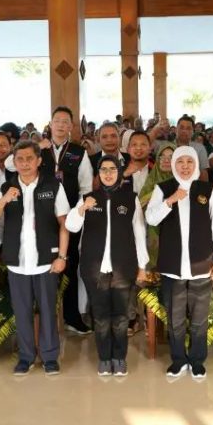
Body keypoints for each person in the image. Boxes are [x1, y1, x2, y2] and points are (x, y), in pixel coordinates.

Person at [0, 141, 71, 374]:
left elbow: (64, 224)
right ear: (14, 162)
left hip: (46, 262)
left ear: (39, 160)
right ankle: (25, 357)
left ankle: (50, 357)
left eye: (29, 158)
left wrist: (62, 256)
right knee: (21, 313)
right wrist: (5, 199)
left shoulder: (52, 185)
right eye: (20, 159)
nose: (24, 163)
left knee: (47, 311)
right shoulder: (6, 187)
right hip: (17, 263)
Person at [145, 146, 213, 380]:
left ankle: (198, 360)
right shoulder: (163, 189)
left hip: (201, 266)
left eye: (189, 161)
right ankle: (178, 359)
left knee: (200, 319)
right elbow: (151, 218)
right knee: (176, 319)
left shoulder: (207, 190)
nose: (185, 166)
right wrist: (171, 200)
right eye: (180, 162)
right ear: (173, 165)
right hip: (173, 268)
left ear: (196, 164)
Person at [66, 155, 149, 376]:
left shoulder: (130, 198)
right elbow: (71, 226)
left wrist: (142, 266)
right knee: (101, 317)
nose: (108, 173)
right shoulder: (88, 198)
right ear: (98, 173)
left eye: (113, 169)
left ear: (119, 172)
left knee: (121, 317)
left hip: (123, 267)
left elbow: (139, 233)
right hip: (95, 269)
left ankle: (119, 357)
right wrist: (82, 209)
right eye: (104, 170)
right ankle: (104, 358)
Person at [26, 106, 93, 335]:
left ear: (71, 126)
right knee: (42, 266)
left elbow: (85, 186)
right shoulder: (37, 149)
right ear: (50, 124)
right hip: (42, 217)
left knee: (70, 265)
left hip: (69, 218)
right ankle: (44, 320)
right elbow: (11, 164)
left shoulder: (78, 152)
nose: (61, 125)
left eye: (66, 121)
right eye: (57, 121)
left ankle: (72, 317)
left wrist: (78, 213)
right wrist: (37, 147)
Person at [173, 115, 210, 181]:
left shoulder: (200, 148)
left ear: (193, 131)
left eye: (188, 128)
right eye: (181, 128)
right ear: (176, 129)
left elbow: (203, 172)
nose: (184, 131)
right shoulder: (167, 147)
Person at [122, 130, 151, 194]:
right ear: (128, 149)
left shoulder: (157, 171)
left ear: (150, 148)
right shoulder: (118, 171)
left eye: (143, 144)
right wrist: (124, 175)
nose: (138, 148)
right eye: (134, 144)